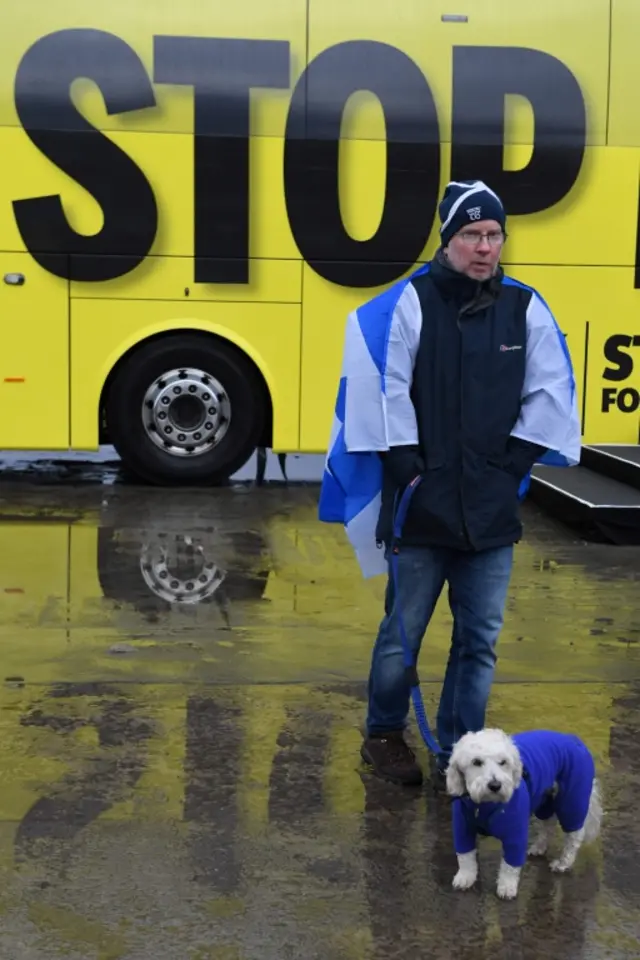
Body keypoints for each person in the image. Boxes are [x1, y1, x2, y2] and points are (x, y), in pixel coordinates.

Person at [319, 180, 581, 788]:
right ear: (448, 240)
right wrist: (411, 470)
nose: (485, 247)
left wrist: (511, 467)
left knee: (479, 643)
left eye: (494, 235)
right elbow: (384, 391)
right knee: (400, 636)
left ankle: (459, 754)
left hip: (490, 512)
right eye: (472, 235)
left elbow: (550, 394)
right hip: (421, 505)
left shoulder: (525, 308)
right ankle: (384, 735)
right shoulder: (409, 303)